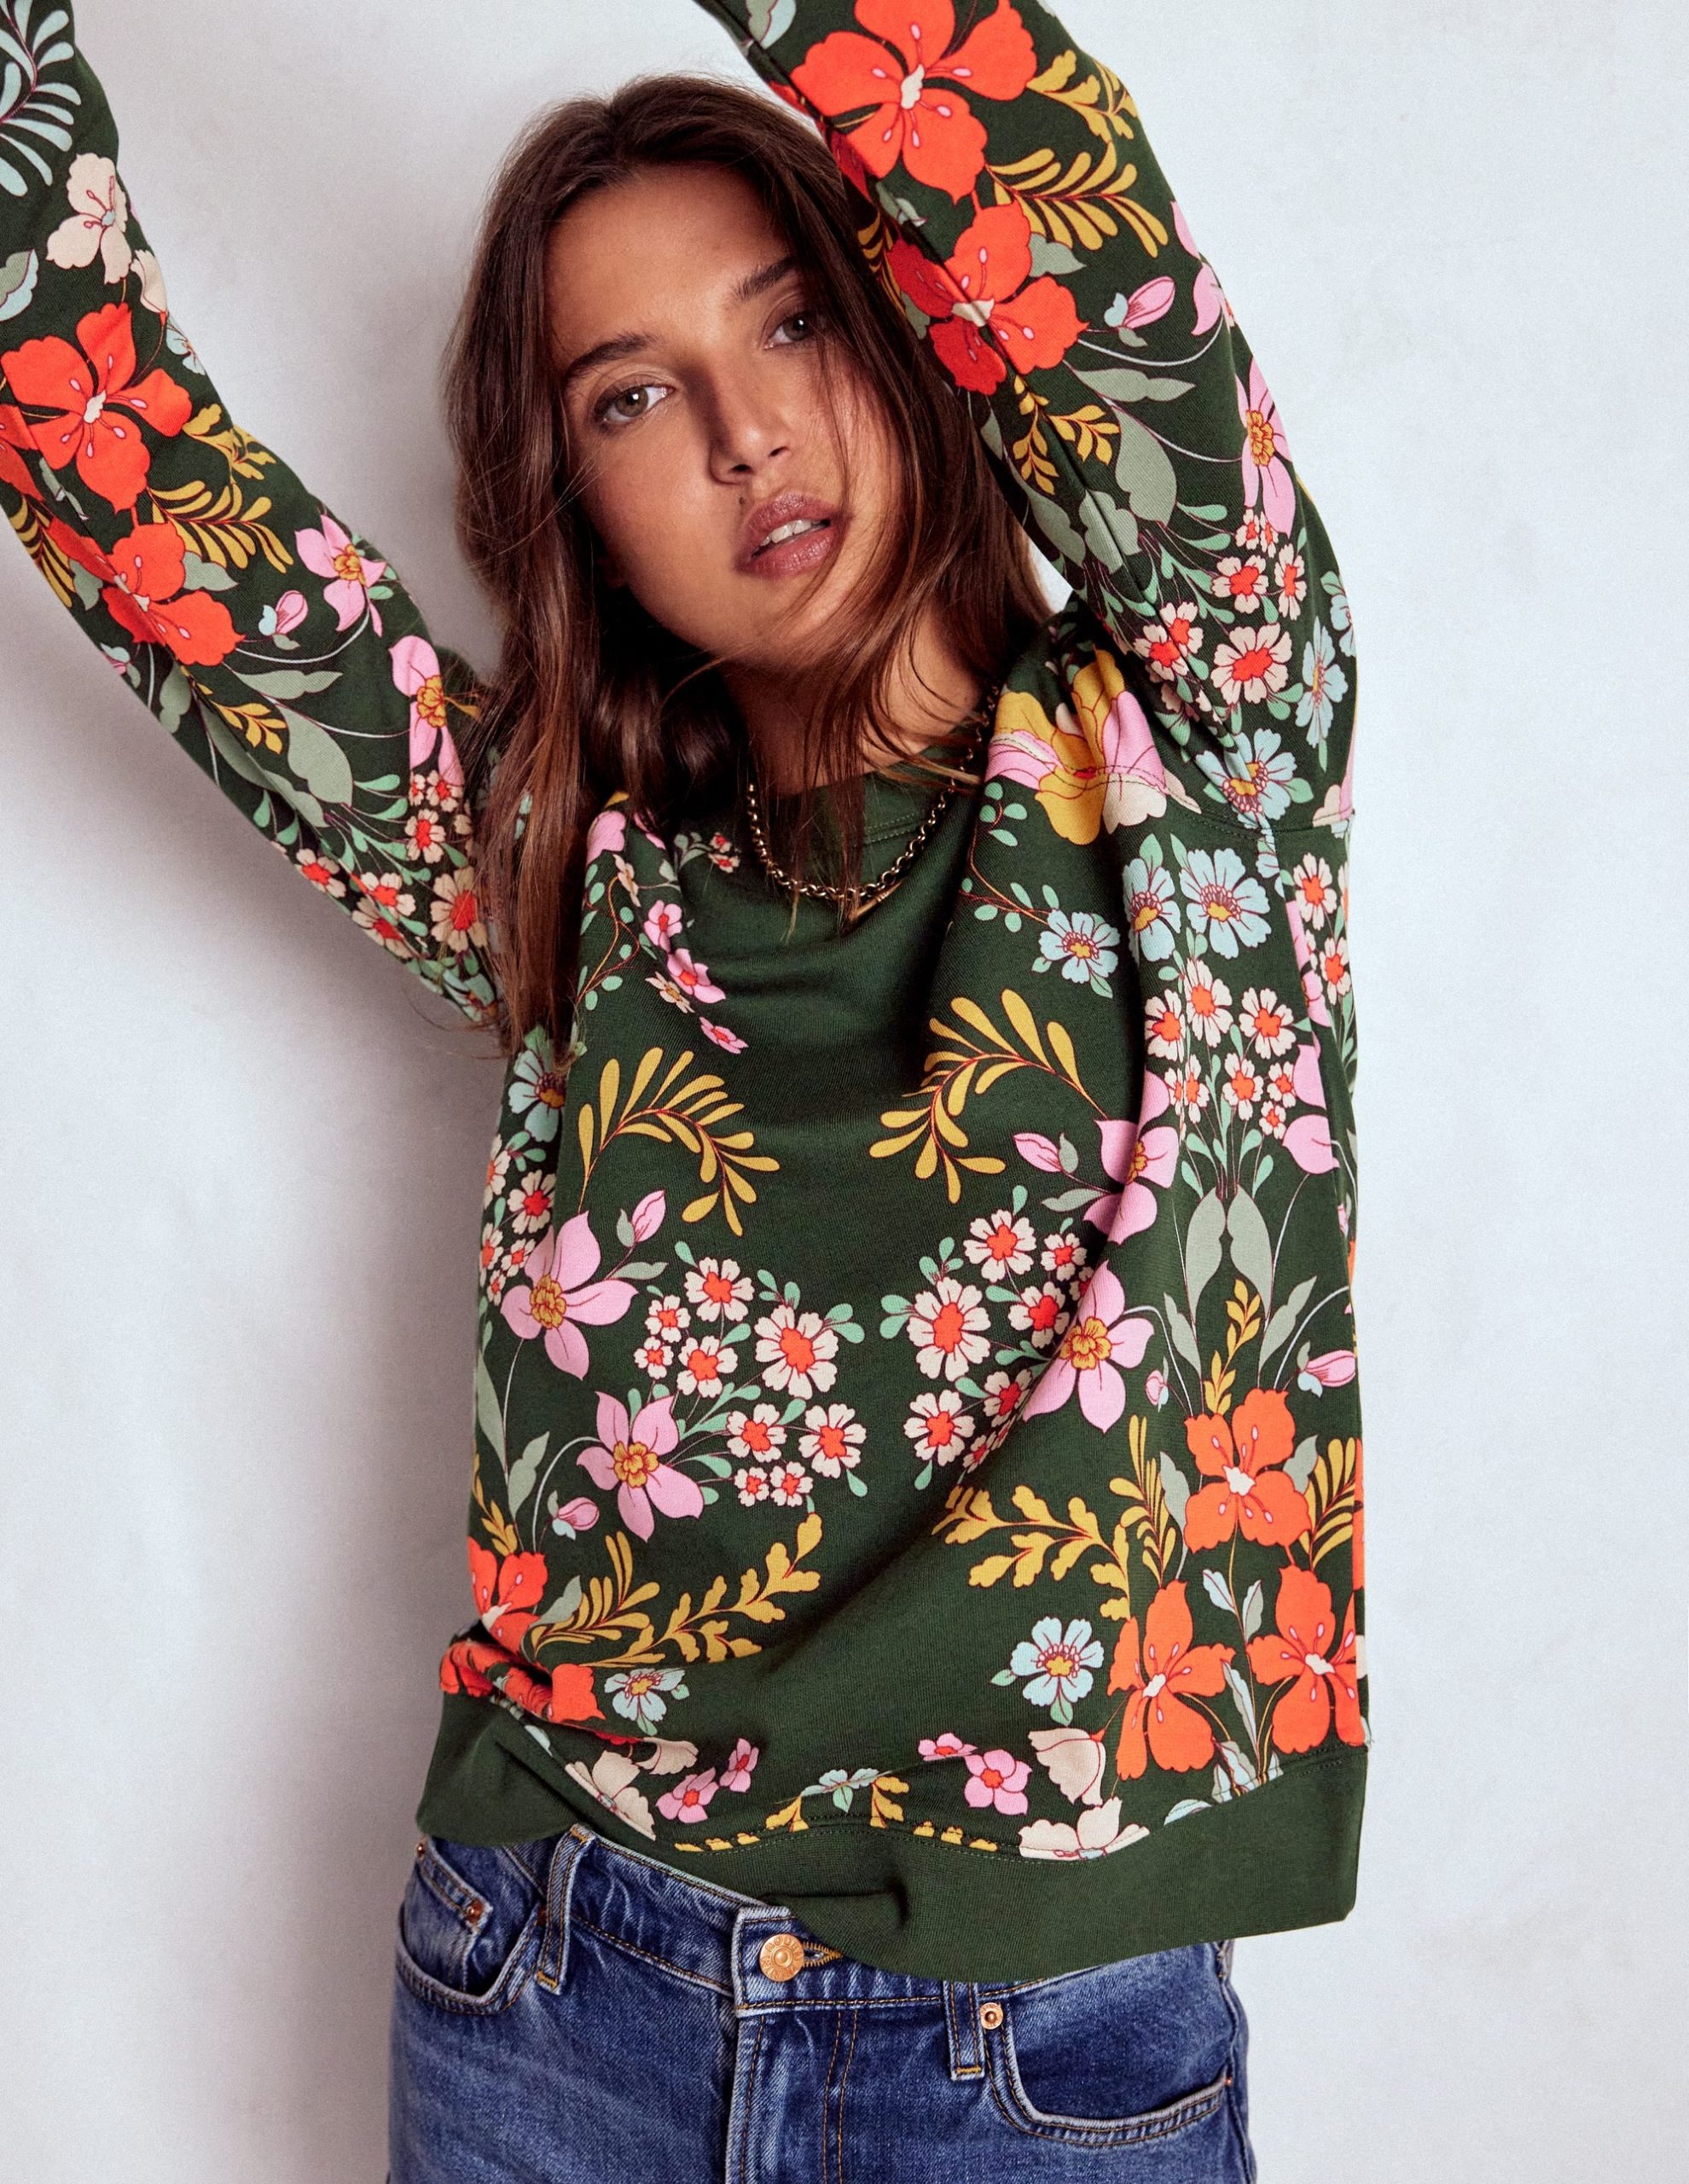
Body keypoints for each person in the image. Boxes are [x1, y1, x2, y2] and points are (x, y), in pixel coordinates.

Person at [0, 2, 1363, 2175]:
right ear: (575, 503)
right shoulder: (549, 859)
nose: (746, 433)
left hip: (1045, 2048)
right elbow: (109, 449)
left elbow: (1045, 185)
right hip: (553, 1983)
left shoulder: (1207, 721)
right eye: (630, 394)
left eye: (793, 319)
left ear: (914, 323)